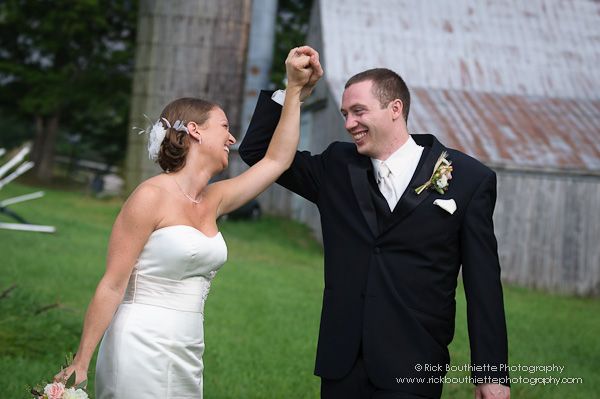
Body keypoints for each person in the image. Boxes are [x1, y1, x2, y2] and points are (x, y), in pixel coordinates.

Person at [53, 47, 321, 398]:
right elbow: (112, 285)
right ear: (194, 131)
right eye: (224, 127)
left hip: (189, 347)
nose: (231, 138)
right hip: (138, 345)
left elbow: (277, 160)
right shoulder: (150, 196)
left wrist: (295, 92)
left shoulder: (215, 199)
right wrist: (81, 362)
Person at [239, 56, 510, 398]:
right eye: (344, 115)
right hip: (342, 364)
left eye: (359, 111)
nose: (349, 123)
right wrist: (292, 93)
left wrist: (492, 373)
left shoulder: (470, 179)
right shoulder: (335, 167)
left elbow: (482, 284)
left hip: (414, 362)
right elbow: (258, 153)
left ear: (395, 108)